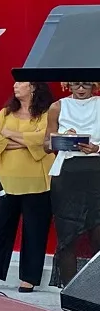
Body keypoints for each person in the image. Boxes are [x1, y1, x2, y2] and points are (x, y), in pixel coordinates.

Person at [0, 81, 55, 292]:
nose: (15, 86)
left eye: (21, 83)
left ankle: (29, 277)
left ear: (33, 87)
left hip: (37, 180)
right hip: (7, 180)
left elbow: (44, 141)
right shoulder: (6, 113)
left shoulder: (46, 114)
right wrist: (26, 141)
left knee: (35, 229)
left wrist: (10, 135)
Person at [46, 82, 100, 287]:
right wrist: (61, 139)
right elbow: (45, 145)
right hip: (67, 175)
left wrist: (96, 147)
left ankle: (95, 290)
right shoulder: (57, 107)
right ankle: (69, 290)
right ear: (68, 85)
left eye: (86, 84)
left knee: (98, 234)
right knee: (67, 236)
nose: (81, 89)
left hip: (96, 173)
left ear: (94, 85)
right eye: (76, 84)